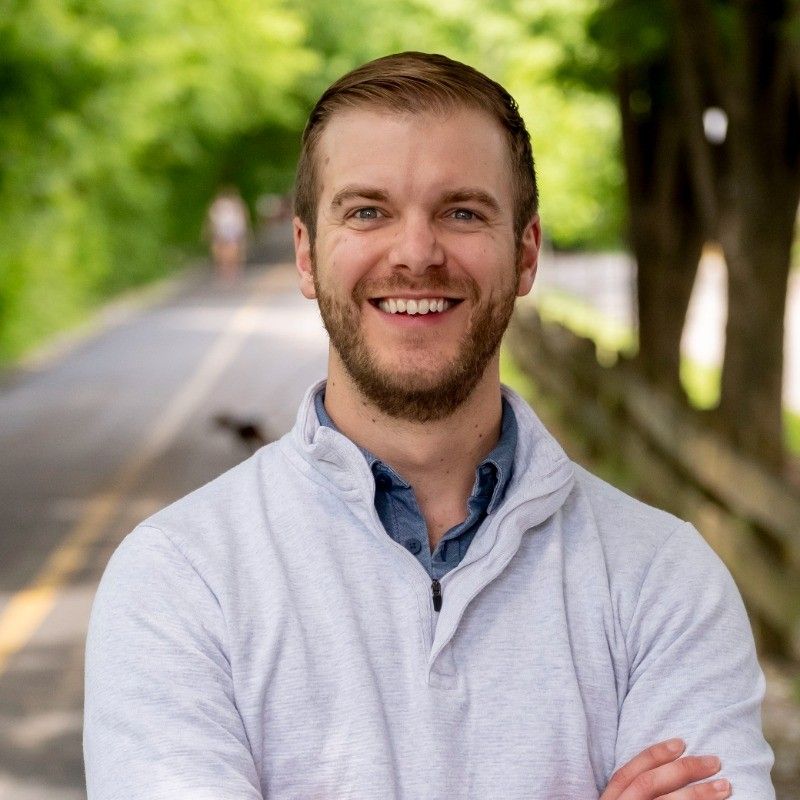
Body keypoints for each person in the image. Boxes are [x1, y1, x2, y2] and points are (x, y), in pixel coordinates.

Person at [84, 52, 774, 799]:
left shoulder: (661, 580)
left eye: (463, 212)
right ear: (308, 255)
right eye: (368, 211)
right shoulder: (181, 581)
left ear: (526, 253)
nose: (416, 254)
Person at [206, 187, 250, 280]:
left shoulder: (218, 206)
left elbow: (211, 221)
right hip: (229, 231)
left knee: (226, 250)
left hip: (226, 231)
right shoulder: (235, 205)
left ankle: (227, 270)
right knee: (229, 250)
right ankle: (229, 270)